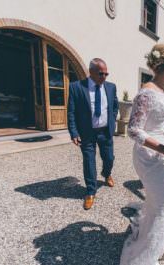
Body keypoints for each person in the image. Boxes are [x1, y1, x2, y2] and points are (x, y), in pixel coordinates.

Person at [120, 43, 164, 264]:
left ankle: (157, 240)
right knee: (163, 205)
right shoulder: (146, 93)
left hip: (162, 154)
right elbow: (133, 130)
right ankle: (143, 257)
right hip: (149, 157)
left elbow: (159, 123)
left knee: (158, 200)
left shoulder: (161, 91)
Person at [67, 58, 119, 210]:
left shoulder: (111, 87)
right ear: (91, 72)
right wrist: (74, 132)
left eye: (106, 74)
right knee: (89, 161)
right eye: (101, 73)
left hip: (105, 131)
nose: (104, 77)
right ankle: (90, 191)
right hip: (87, 132)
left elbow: (114, 106)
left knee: (109, 157)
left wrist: (112, 120)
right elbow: (71, 112)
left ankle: (106, 173)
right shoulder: (76, 87)